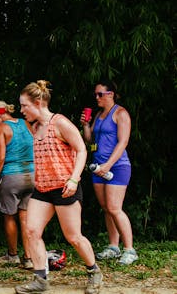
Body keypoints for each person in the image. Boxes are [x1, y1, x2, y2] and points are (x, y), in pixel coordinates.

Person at [15, 80, 102, 294]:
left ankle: (94, 272)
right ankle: (40, 279)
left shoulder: (60, 122)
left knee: (73, 236)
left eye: (24, 105)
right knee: (32, 231)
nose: (21, 110)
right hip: (43, 189)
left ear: (38, 102)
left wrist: (74, 179)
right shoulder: (34, 125)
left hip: (65, 188)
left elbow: (81, 149)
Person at [81, 80, 137, 265]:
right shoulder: (99, 114)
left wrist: (108, 164)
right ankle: (113, 246)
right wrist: (86, 125)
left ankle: (129, 249)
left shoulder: (121, 113)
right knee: (107, 208)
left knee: (115, 208)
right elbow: (90, 141)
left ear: (111, 94)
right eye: (95, 94)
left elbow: (123, 142)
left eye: (100, 94)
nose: (96, 97)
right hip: (98, 166)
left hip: (118, 166)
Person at [0, 100, 34, 270]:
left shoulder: (1, 129)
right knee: (25, 217)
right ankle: (28, 258)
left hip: (12, 177)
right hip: (32, 175)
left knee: (9, 216)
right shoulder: (26, 123)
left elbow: (0, 158)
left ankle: (12, 255)